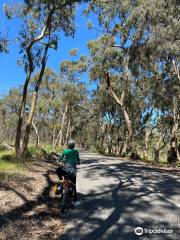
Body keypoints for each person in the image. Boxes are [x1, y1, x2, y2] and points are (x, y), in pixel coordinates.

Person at [56, 139, 80, 206]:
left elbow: (60, 158)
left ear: (68, 145)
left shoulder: (65, 151)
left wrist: (58, 160)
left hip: (65, 170)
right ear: (74, 145)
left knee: (58, 170)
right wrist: (78, 162)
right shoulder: (76, 151)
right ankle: (75, 201)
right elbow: (78, 159)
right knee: (74, 185)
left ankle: (60, 181)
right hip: (73, 171)